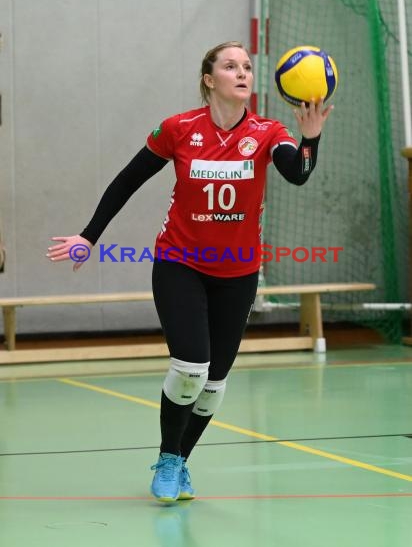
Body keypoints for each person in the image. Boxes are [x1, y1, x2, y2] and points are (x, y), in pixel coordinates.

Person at [47, 41, 333, 502]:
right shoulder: (178, 129)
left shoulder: (269, 132)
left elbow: (297, 172)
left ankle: (181, 461)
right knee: (190, 368)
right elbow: (127, 180)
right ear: (209, 79)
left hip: (239, 272)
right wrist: (89, 236)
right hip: (179, 263)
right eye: (229, 66)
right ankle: (166, 456)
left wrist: (311, 138)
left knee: (215, 381)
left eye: (246, 67)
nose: (241, 73)